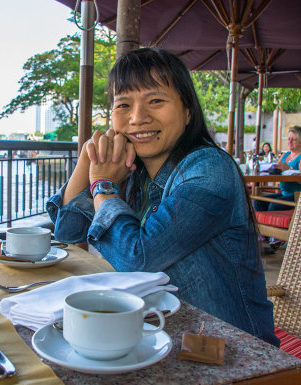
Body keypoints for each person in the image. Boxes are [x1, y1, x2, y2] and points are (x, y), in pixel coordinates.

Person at [46, 48, 278, 346]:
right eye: (123, 105)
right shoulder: (134, 174)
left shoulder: (209, 170)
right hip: (159, 337)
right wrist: (88, 158)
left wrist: (102, 184)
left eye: (155, 100)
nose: (138, 117)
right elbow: (68, 235)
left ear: (187, 112)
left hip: (232, 350)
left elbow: (138, 259)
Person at [253, 126, 301, 211]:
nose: (289, 142)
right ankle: (259, 224)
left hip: (297, 195)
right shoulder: (285, 155)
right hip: (284, 193)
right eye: (288, 139)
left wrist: (289, 169)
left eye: (293, 139)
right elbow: (277, 170)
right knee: (257, 202)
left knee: (274, 205)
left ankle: (272, 223)